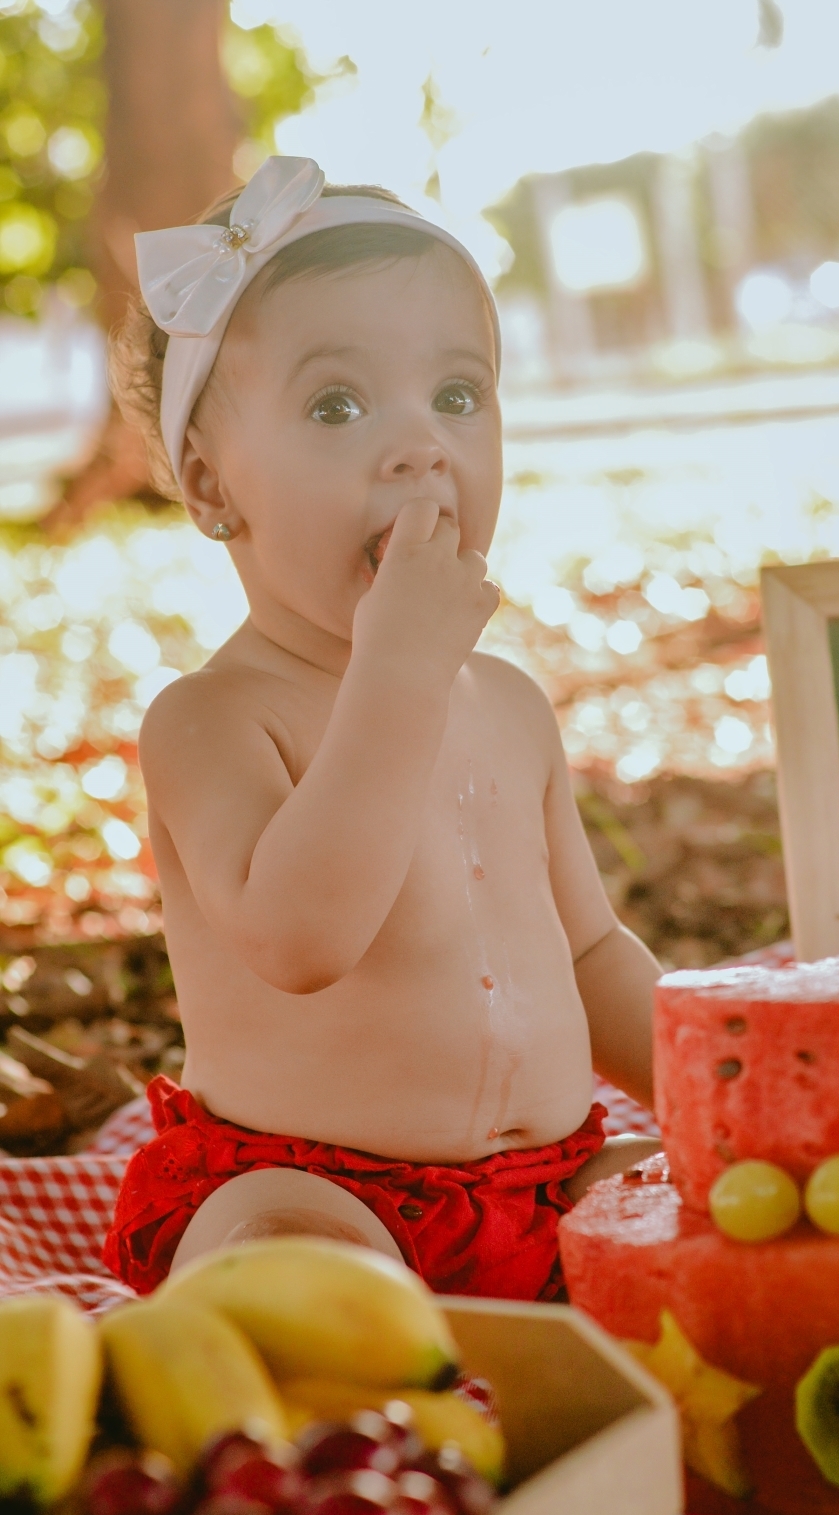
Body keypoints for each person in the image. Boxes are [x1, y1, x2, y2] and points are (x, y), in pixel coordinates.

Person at [103, 156, 661, 1302]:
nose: (420, 446)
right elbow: (301, 937)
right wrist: (398, 674)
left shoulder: (508, 705)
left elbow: (592, 951)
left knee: (710, 1206)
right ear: (213, 486)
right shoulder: (211, 718)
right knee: (273, 1263)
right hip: (317, 1186)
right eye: (338, 406)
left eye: (458, 395)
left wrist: (720, 1096)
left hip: (550, 1182)